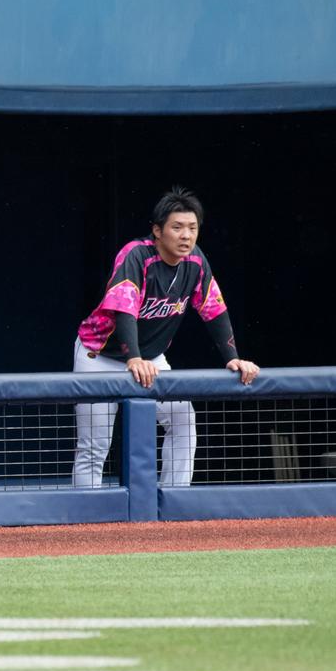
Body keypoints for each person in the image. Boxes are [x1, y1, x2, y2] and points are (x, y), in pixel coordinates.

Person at [73, 186, 260, 487]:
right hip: (100, 355)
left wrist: (233, 358)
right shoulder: (136, 254)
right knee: (94, 446)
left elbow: (214, 310)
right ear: (157, 231)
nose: (186, 236)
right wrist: (134, 357)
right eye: (177, 227)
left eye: (192, 228)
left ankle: (173, 503)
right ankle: (88, 516)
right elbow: (124, 310)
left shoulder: (196, 261)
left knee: (183, 419)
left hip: (150, 359)